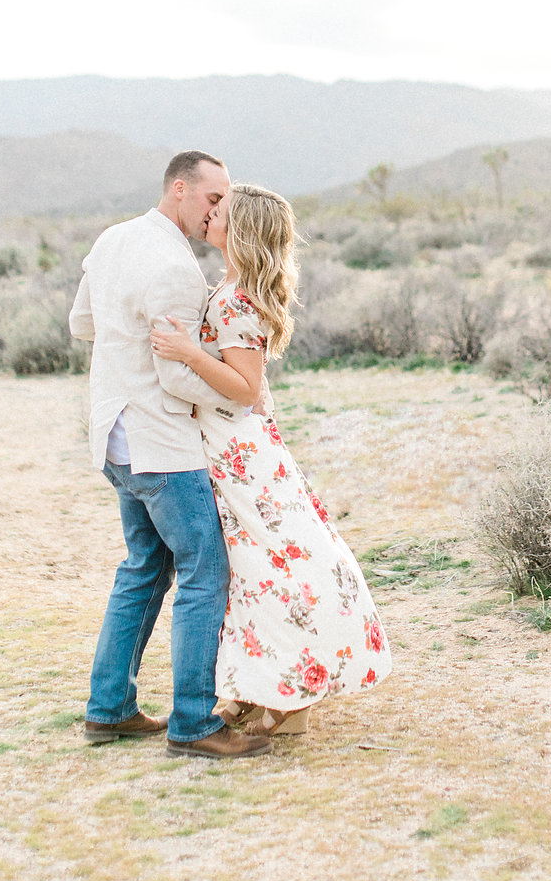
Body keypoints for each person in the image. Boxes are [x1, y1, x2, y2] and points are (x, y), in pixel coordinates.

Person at [151, 183, 392, 737]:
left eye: (223, 212)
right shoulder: (232, 290)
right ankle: (257, 691)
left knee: (266, 570)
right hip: (234, 448)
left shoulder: (236, 300)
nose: (210, 215)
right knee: (249, 573)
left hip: (241, 456)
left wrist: (188, 353)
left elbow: (244, 386)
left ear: (244, 232)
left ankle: (291, 699)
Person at [68, 152, 271, 759]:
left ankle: (110, 709)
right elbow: (179, 379)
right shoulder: (179, 269)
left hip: (113, 436)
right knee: (205, 574)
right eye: (213, 200)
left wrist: (126, 347)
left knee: (143, 568)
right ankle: (194, 723)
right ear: (180, 190)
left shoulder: (112, 240)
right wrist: (241, 402)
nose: (220, 212)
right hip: (162, 446)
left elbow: (83, 323)